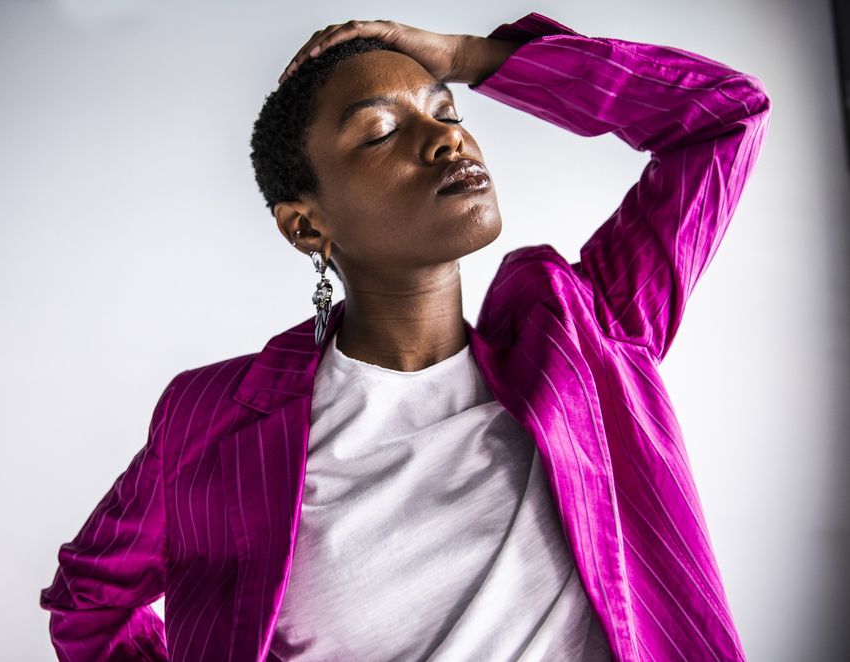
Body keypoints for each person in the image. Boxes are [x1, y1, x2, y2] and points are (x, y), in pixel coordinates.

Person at [39, 10, 771, 662]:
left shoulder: (586, 336)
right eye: (382, 129)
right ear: (307, 224)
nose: (444, 137)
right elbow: (88, 603)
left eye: (445, 110)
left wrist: (469, 56)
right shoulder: (213, 421)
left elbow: (720, 116)